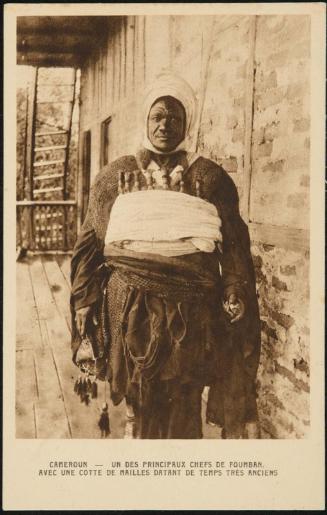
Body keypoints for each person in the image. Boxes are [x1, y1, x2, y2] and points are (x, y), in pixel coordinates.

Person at [70, 72, 261, 439]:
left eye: (174, 117)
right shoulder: (115, 176)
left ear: (186, 122)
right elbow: (90, 247)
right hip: (130, 307)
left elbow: (235, 244)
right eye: (157, 116)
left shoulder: (210, 178)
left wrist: (233, 288)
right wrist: (84, 300)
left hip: (191, 310)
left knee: (185, 398)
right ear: (145, 120)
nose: (165, 125)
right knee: (139, 402)